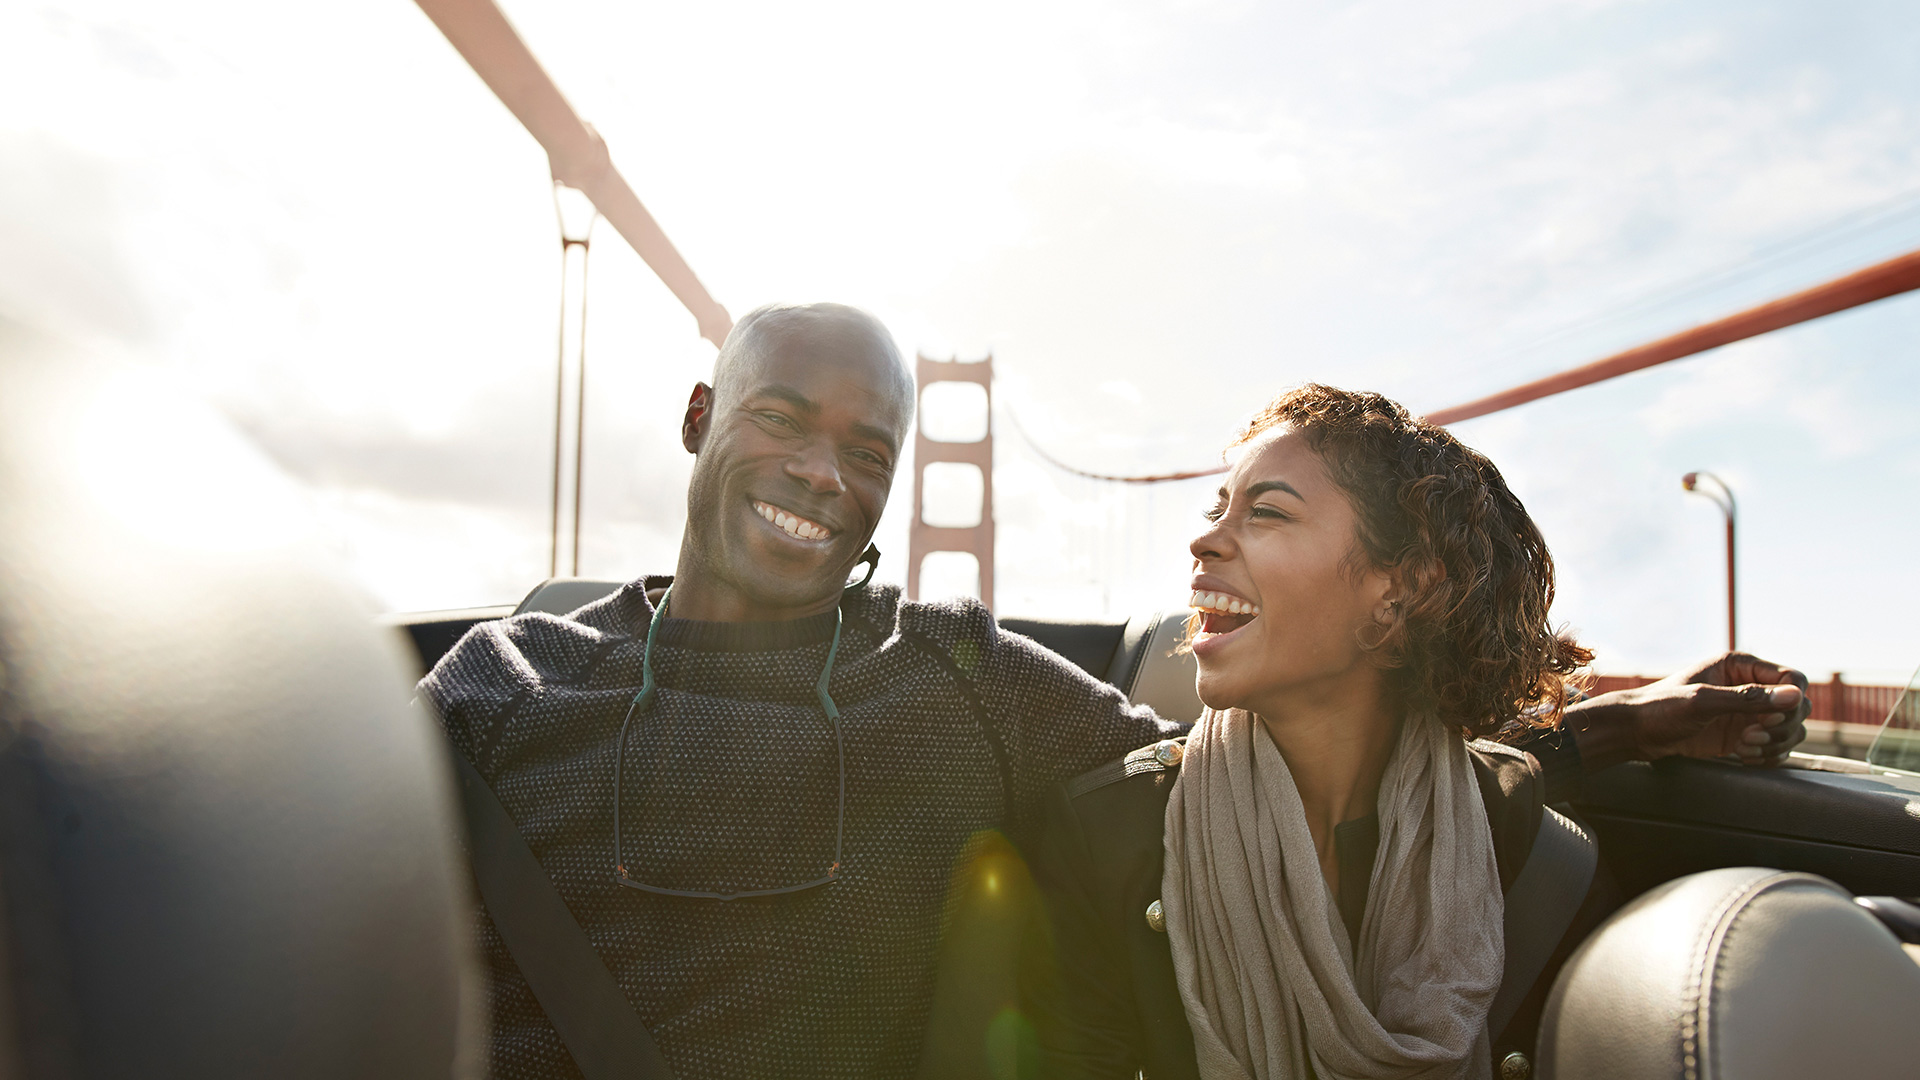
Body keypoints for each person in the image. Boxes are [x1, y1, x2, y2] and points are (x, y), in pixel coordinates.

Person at [420, 305, 1809, 1080]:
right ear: (699, 421)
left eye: (868, 449)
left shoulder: (957, 672)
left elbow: (1277, 774)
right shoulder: (493, 685)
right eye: (780, 418)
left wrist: (1601, 725)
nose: (821, 474)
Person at [1017, 385, 1810, 1080]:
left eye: (1265, 511)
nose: (1205, 540)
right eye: (1216, 509)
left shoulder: (1523, 842)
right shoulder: (1109, 834)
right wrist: (1622, 726)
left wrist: (1629, 727)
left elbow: (1488, 781)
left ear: (1398, 594)